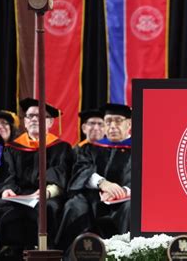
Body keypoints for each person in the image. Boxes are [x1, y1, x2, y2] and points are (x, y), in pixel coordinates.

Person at [0, 98, 74, 259]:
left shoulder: (61, 148)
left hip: (47, 196)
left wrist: (47, 191)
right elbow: (8, 173)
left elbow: (61, 172)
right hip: (17, 196)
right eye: (30, 116)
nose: (34, 119)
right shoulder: (13, 148)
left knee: (49, 210)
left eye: (40, 116)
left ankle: (48, 256)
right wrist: (7, 189)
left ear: (50, 123)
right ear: (25, 122)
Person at [55, 103, 132, 253]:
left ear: (129, 123)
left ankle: (125, 254)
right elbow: (81, 169)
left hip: (126, 199)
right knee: (74, 205)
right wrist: (102, 183)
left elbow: (144, 177)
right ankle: (73, 254)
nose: (112, 126)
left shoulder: (140, 148)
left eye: (118, 121)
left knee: (131, 209)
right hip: (94, 197)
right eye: (108, 121)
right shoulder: (91, 148)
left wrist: (123, 191)